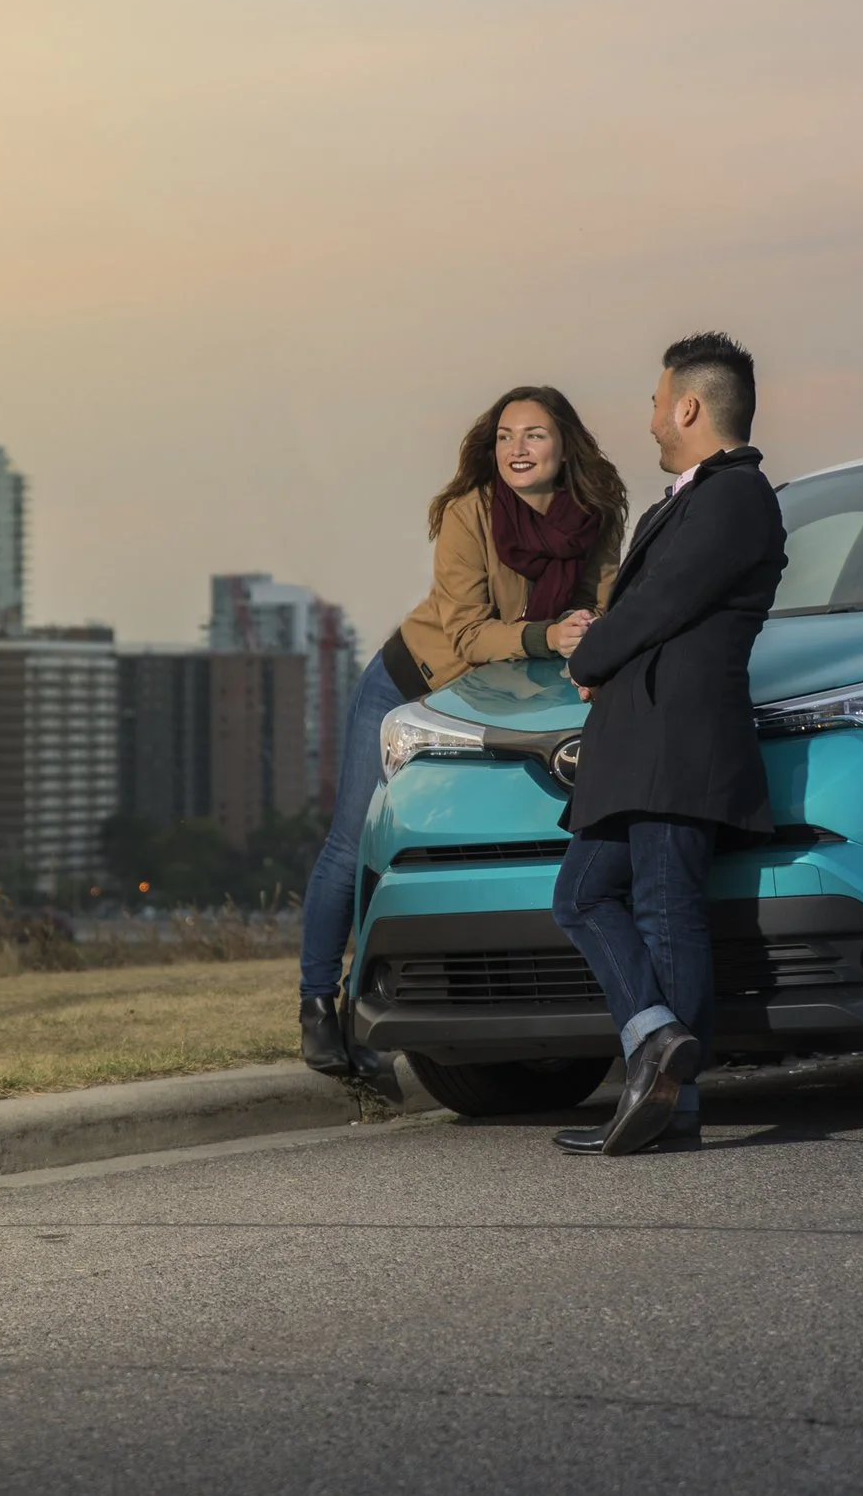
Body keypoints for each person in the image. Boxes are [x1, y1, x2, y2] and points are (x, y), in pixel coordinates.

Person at [298, 387, 629, 1075]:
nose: (517, 449)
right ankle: (316, 1007)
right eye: (506, 436)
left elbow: (601, 609)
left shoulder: (595, 518)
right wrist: (550, 634)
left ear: (565, 444)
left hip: (509, 700)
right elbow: (468, 634)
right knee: (357, 840)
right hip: (415, 681)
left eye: (534, 435)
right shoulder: (469, 513)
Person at [549, 332, 787, 1155]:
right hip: (636, 742)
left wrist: (590, 654)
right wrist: (606, 656)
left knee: (663, 905)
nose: (649, 419)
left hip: (679, 741)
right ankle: (656, 1040)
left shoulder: (737, 495)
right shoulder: (685, 500)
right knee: (581, 895)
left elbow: (662, 606)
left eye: (656, 402)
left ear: (688, 406)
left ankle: (671, 1105)